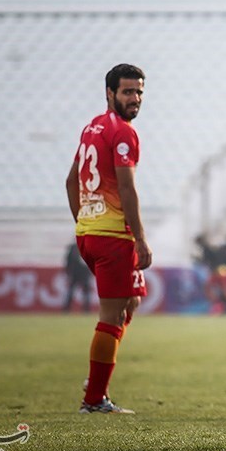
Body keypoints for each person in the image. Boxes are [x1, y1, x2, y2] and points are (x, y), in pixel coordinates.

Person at [65, 63, 152, 414]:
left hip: (90, 233)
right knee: (112, 314)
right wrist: (142, 239)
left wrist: (84, 221)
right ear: (110, 93)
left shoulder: (92, 127)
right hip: (113, 235)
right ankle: (94, 397)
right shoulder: (122, 132)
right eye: (128, 91)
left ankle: (97, 374)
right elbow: (127, 189)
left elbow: (71, 182)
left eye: (139, 92)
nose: (135, 99)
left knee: (130, 302)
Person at [62, 240, 95, 313]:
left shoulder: (87, 247)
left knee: (85, 292)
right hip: (76, 274)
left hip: (83, 274)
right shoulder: (74, 247)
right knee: (72, 292)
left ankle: (86, 309)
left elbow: (92, 260)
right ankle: (67, 309)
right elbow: (68, 260)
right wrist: (68, 272)